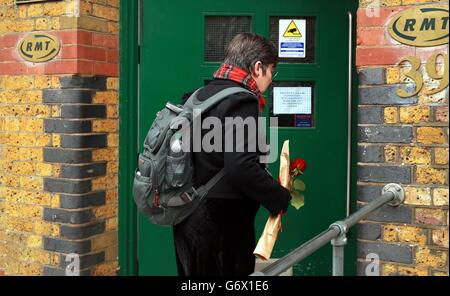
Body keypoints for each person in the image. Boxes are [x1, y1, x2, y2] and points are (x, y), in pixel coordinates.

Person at [173, 32, 291, 276]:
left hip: (187, 218)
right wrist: (278, 196)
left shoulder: (197, 97)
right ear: (258, 68)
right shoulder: (242, 101)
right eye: (271, 72)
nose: (270, 80)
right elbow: (241, 166)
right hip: (222, 226)